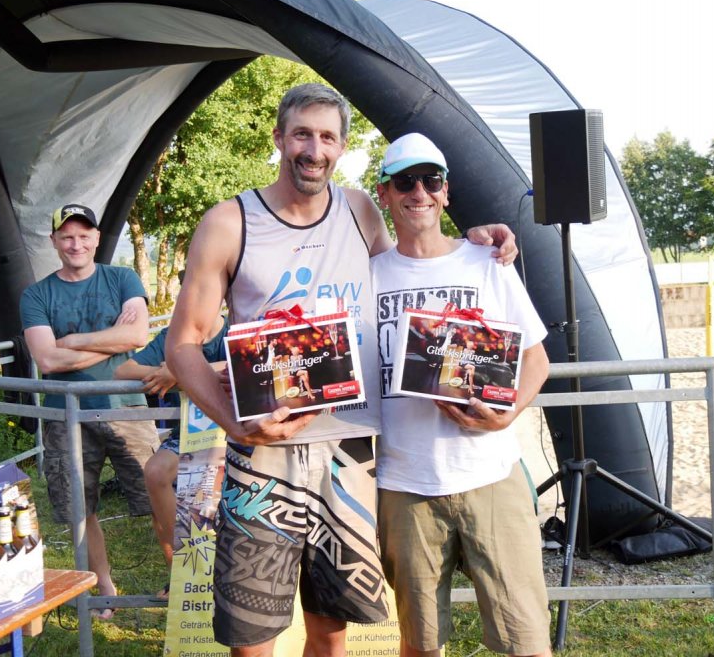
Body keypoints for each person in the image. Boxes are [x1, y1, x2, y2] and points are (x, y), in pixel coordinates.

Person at [165, 83, 517, 657]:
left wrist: (475, 242)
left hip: (350, 449)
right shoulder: (230, 223)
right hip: (265, 449)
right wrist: (234, 421)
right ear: (278, 138)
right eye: (302, 133)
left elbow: (413, 258)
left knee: (331, 632)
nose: (313, 148)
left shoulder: (359, 210)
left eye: (327, 137)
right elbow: (181, 346)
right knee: (253, 638)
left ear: (342, 147)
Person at [371, 133, 552, 656]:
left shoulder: (486, 262)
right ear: (385, 193)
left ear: (446, 192)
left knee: (525, 640)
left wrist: (507, 414)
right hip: (405, 485)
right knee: (421, 644)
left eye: (431, 180)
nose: (419, 192)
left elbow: (536, 359)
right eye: (405, 181)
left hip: (491, 476)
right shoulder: (367, 276)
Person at [19, 203, 158, 620]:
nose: (76, 243)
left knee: (160, 496)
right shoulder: (36, 294)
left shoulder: (122, 278)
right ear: (54, 241)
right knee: (81, 509)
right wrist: (110, 340)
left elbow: (137, 333)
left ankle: (183, 581)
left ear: (97, 238)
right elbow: (47, 361)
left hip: (126, 407)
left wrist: (73, 340)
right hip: (66, 415)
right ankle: (102, 587)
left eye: (84, 235)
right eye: (67, 236)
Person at [113, 305, 228, 588]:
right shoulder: (174, 336)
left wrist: (181, 372)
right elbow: (124, 370)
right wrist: (164, 371)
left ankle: (225, 573)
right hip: (189, 434)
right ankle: (181, 569)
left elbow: (247, 363)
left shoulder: (236, 328)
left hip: (235, 431)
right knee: (155, 473)